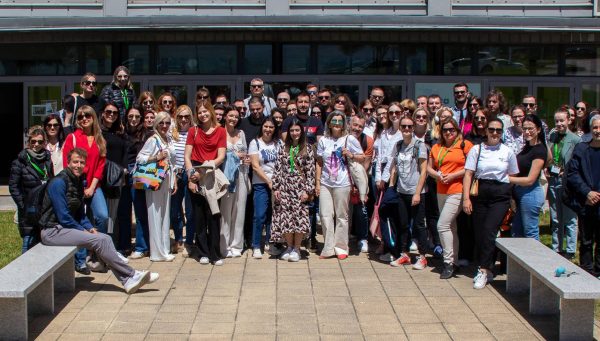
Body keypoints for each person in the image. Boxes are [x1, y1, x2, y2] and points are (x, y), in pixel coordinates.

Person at [39, 148, 158, 294]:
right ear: (68, 163)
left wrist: (89, 228)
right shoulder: (58, 183)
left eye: (82, 162)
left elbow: (80, 214)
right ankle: (131, 275)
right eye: (75, 162)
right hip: (52, 231)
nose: (78, 165)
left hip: (64, 229)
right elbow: (63, 216)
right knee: (100, 240)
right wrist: (82, 230)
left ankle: (128, 280)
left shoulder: (76, 181)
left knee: (105, 237)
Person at [463, 118, 519, 289]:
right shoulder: (477, 149)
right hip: (480, 193)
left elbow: (513, 175)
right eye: (492, 130)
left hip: (500, 195)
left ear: (502, 133)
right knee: (480, 233)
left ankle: (484, 269)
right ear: (486, 131)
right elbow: (468, 174)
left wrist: (509, 196)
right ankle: (488, 266)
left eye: (499, 130)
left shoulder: (507, 151)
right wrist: (466, 198)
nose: (495, 133)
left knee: (489, 230)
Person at [62, 105, 109, 273]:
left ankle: (96, 252)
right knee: (78, 221)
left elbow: (100, 166)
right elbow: (67, 164)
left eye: (87, 115)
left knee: (102, 216)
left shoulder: (99, 138)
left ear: (93, 117)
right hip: (76, 185)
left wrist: (92, 186)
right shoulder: (73, 138)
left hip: (94, 185)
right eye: (81, 116)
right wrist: (78, 187)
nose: (84, 118)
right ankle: (80, 260)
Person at [427, 117, 473, 279]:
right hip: (441, 189)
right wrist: (437, 175)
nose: (448, 133)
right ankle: (455, 262)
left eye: (451, 129)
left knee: (442, 225)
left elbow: (470, 167)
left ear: (457, 131)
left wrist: (453, 175)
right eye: (445, 130)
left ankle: (447, 263)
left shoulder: (465, 146)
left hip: (458, 189)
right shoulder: (436, 147)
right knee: (451, 227)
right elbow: (429, 168)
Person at [381, 116, 429, 269]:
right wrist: (392, 186)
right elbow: (394, 167)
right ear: (400, 128)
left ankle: (422, 256)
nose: (407, 129)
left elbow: (423, 171)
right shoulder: (398, 145)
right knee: (403, 224)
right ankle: (404, 254)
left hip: (416, 192)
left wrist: (417, 193)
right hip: (401, 191)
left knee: (419, 225)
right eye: (404, 126)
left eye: (409, 126)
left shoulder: (419, 146)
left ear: (413, 127)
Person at [316, 111, 364, 259]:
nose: (337, 124)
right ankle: (328, 247)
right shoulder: (323, 140)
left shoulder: (349, 139)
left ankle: (341, 247)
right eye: (334, 121)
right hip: (326, 182)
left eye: (340, 122)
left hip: (342, 183)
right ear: (329, 123)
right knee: (325, 215)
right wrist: (317, 182)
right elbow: (319, 162)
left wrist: (351, 155)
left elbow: (363, 157)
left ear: (344, 124)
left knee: (342, 216)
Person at [185, 101, 226, 265]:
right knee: (199, 216)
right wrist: (191, 175)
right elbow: (187, 156)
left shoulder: (221, 131)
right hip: (195, 174)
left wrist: (206, 168)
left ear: (211, 112)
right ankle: (203, 252)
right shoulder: (192, 131)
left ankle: (215, 254)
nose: (203, 115)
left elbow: (221, 156)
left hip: (211, 175)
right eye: (200, 112)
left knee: (214, 215)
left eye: (205, 111)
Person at [271, 119, 316, 262]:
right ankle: (289, 246)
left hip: (299, 188)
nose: (294, 133)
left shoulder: (307, 148)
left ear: (301, 132)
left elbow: (310, 172)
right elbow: (278, 169)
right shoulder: (283, 148)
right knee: (286, 219)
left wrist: (308, 191)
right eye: (292, 131)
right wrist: (276, 187)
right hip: (285, 188)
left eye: (297, 130)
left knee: (299, 219)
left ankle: (297, 248)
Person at [137, 112, 177, 262]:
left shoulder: (168, 139)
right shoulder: (153, 140)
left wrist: (174, 182)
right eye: (162, 123)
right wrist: (156, 157)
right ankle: (156, 252)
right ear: (156, 123)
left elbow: (172, 163)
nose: (164, 126)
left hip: (166, 180)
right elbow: (140, 158)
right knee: (154, 214)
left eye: (167, 123)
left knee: (165, 215)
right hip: (155, 181)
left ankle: (164, 249)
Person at [9, 126, 54, 253]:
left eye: (40, 142)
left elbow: (51, 180)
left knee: (42, 240)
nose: (36, 144)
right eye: (33, 141)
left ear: (44, 142)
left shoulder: (47, 159)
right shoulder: (19, 162)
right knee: (28, 240)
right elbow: (13, 187)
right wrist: (23, 205)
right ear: (28, 142)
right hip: (28, 209)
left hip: (44, 208)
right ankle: (24, 269)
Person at [566, 115, 600, 276]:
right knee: (586, 240)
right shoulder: (581, 149)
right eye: (595, 127)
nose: (597, 131)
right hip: (587, 201)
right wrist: (587, 192)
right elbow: (573, 173)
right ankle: (587, 271)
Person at [547, 109, 581, 259]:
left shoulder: (575, 139)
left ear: (568, 121)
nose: (559, 124)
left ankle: (571, 249)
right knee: (555, 216)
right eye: (557, 121)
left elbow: (577, 163)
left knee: (570, 217)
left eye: (562, 120)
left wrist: (566, 172)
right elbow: (549, 156)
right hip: (553, 180)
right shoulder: (552, 136)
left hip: (567, 182)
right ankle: (556, 247)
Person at [509, 114, 548, 240]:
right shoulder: (527, 147)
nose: (527, 132)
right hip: (520, 193)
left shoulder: (539, 150)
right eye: (524, 128)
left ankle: (536, 259)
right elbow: (550, 158)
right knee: (517, 232)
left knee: (530, 234)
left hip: (530, 194)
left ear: (538, 129)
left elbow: (530, 180)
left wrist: (506, 178)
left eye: (530, 128)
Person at [219, 106, 249, 258]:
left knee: (239, 210)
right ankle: (224, 246)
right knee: (225, 211)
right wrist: (233, 154)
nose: (233, 119)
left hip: (242, 174)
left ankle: (236, 245)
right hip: (225, 176)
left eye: (236, 117)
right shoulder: (219, 132)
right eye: (231, 116)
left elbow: (245, 152)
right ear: (225, 117)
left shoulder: (241, 133)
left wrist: (245, 157)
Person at [248, 117, 280, 259]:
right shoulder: (255, 143)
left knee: (273, 215)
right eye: (266, 126)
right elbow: (255, 166)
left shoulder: (278, 143)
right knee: (259, 215)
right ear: (262, 127)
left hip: (277, 184)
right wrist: (268, 181)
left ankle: (269, 242)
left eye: (271, 127)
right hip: (260, 183)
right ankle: (256, 245)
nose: (268, 129)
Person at [125, 108, 154, 259]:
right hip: (124, 173)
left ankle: (142, 246)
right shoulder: (122, 132)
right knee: (124, 212)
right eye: (131, 116)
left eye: (137, 116)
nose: (134, 119)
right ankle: (124, 244)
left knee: (140, 210)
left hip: (141, 174)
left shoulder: (147, 134)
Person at [99, 103, 128, 243]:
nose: (111, 114)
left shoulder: (120, 133)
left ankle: (112, 247)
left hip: (116, 179)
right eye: (108, 111)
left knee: (113, 215)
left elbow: (125, 153)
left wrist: (124, 169)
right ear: (103, 113)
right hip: (101, 179)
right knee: (102, 215)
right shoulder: (97, 133)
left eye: (115, 113)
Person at [170, 105, 195, 255]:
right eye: (180, 117)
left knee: (190, 210)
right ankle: (178, 238)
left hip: (189, 173)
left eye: (186, 116)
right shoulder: (171, 134)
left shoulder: (194, 132)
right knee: (174, 210)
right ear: (176, 118)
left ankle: (189, 241)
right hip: (175, 174)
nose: (183, 120)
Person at [348, 114, 373, 253]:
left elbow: (366, 165)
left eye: (360, 126)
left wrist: (358, 186)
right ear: (350, 124)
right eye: (355, 125)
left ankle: (362, 238)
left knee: (361, 208)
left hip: (360, 177)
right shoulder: (343, 138)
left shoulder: (367, 141)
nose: (357, 128)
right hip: (344, 178)